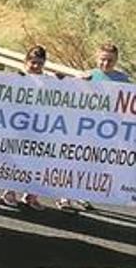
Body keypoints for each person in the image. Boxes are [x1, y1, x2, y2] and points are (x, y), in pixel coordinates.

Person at [56, 43, 132, 212]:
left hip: (108, 130)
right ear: (97, 58)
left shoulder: (123, 80)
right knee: (76, 161)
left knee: (95, 165)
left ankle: (82, 196)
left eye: (110, 60)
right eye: (103, 59)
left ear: (116, 60)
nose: (105, 64)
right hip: (86, 128)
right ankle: (65, 196)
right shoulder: (88, 75)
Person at [0, 45, 51, 211]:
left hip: (39, 128)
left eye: (39, 63)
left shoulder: (48, 81)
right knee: (16, 159)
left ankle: (31, 195)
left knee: (37, 162)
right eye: (33, 62)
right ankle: (9, 191)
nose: (35, 66)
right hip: (18, 126)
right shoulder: (17, 77)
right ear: (25, 61)